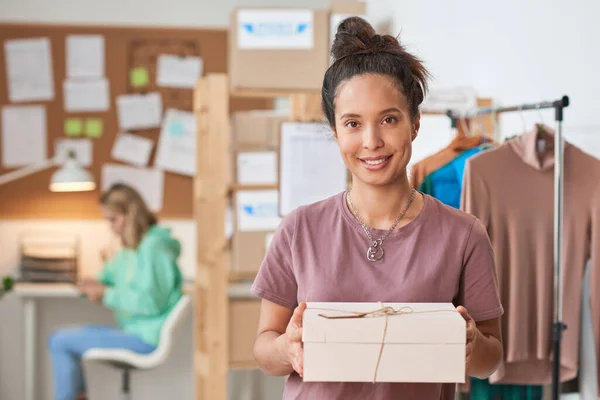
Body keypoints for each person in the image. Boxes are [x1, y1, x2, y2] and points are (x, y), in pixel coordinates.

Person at [251, 17, 504, 400]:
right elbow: (264, 349)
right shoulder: (299, 228)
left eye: (389, 119)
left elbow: (491, 357)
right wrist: (287, 347)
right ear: (335, 131)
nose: (371, 141)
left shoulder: (463, 234)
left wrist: (470, 346)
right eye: (352, 123)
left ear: (415, 123)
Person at [48, 183, 183, 400]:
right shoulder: (133, 248)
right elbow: (112, 274)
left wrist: (106, 294)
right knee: (60, 338)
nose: (111, 227)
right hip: (134, 332)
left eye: (114, 219)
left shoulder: (152, 248)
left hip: (146, 338)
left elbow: (150, 302)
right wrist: (95, 284)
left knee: (60, 341)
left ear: (131, 214)